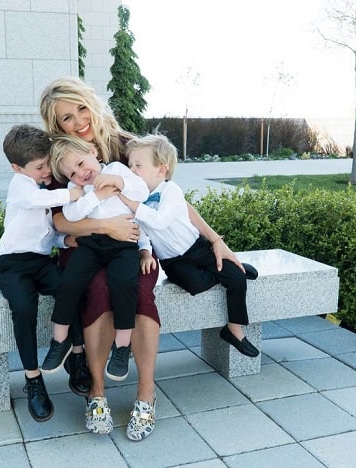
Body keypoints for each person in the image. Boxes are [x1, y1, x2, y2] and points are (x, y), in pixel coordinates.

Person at [39, 76, 246, 441]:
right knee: (97, 290)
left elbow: (170, 198)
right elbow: (58, 219)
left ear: (92, 104)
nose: (78, 122)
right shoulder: (63, 158)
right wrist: (105, 229)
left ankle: (146, 396)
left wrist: (214, 238)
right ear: (57, 126)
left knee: (137, 290)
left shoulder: (128, 147)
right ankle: (96, 394)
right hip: (86, 248)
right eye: (66, 118)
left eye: (81, 109)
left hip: (134, 247)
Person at [118, 133, 260, 357]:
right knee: (195, 284)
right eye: (130, 165)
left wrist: (134, 205)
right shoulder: (135, 198)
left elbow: (160, 221)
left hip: (197, 247)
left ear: (161, 170)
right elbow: (142, 231)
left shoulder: (170, 191)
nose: (132, 170)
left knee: (236, 277)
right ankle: (221, 274)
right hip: (172, 262)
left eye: (138, 165)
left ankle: (234, 329)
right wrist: (145, 252)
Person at [41, 135, 152, 382]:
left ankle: (122, 347)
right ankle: (60, 340)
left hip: (124, 242)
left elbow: (142, 191)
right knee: (69, 282)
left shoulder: (116, 169)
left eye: (81, 164)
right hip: (91, 244)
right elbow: (70, 217)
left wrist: (119, 181)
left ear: (93, 151)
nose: (80, 174)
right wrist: (95, 196)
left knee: (124, 284)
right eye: (72, 174)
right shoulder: (76, 190)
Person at [0, 124, 83, 422]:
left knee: (70, 288)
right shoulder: (21, 186)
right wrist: (72, 194)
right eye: (40, 166)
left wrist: (64, 240)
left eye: (47, 163)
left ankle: (77, 357)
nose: (46, 171)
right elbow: (35, 202)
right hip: (12, 265)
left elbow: (44, 234)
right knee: (23, 306)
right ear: (17, 168)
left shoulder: (41, 189)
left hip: (41, 261)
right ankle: (33, 380)